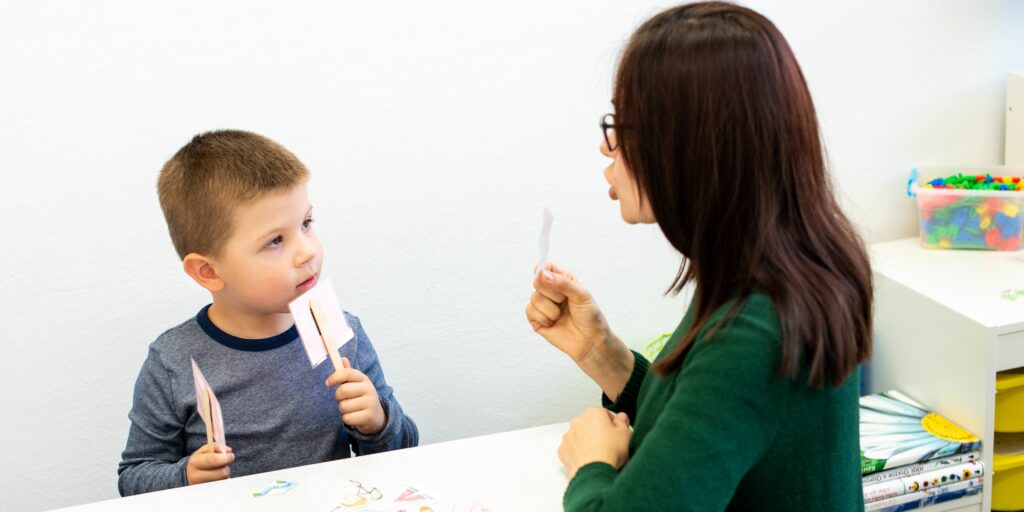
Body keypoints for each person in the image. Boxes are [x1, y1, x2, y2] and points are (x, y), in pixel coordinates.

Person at [525, 3, 872, 510]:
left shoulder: (755, 327)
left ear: (685, 143)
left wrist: (591, 465)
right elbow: (708, 426)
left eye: (622, 124)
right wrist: (602, 353)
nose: (608, 147)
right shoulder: (776, 275)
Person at [118, 130, 418, 496]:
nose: (306, 251)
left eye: (306, 223)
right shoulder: (172, 361)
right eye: (275, 241)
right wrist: (184, 477)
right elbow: (133, 478)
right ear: (209, 272)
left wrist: (378, 422)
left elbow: (402, 453)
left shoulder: (343, 332)